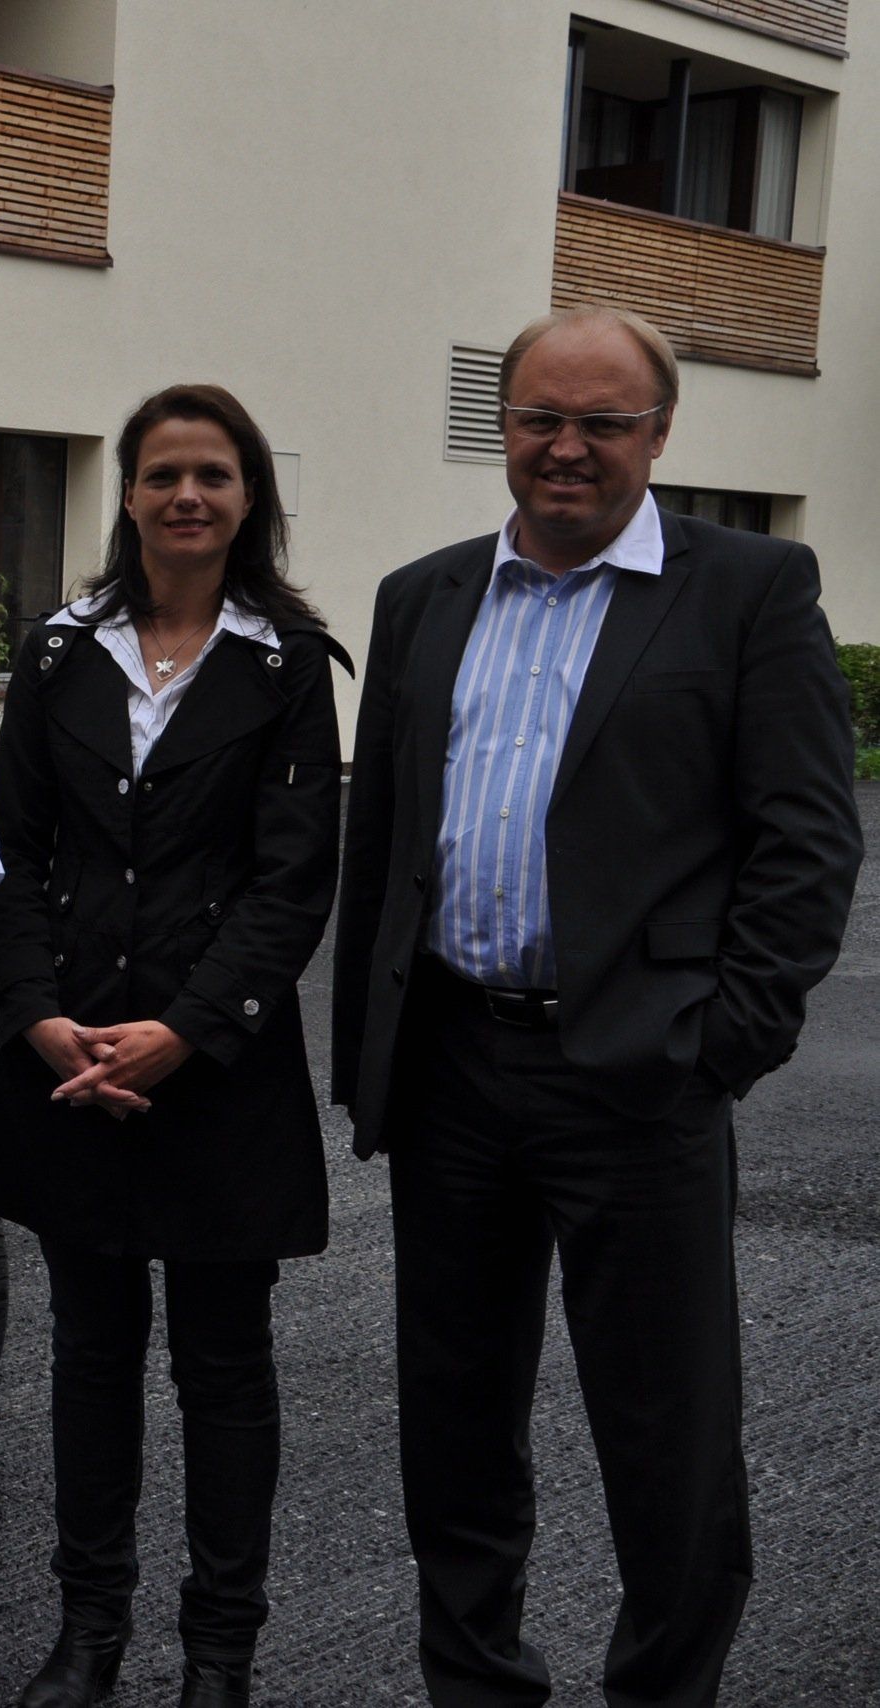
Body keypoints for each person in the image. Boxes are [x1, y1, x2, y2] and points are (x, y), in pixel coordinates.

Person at [332, 304, 862, 1707]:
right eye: (539, 418)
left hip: (639, 1076)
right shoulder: (423, 596)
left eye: (602, 423)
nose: (566, 447)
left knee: (666, 1433)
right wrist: (373, 1055)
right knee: (452, 1420)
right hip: (453, 1066)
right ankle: (476, 1685)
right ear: (502, 426)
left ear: (659, 434)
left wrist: (719, 1044)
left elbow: (808, 843)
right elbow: (381, 841)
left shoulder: (747, 587)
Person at [0, 385, 344, 1708]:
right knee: (89, 1357)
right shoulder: (59, 652)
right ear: (127, 493)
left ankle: (219, 1655)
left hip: (218, 1069)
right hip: (69, 1061)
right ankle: (90, 1636)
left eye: (213, 475)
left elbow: (293, 882)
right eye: (164, 473)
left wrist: (183, 1031)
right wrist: (35, 1014)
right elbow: (9, 853)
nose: (188, 495)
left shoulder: (289, 665)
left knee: (225, 1368)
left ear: (249, 499)